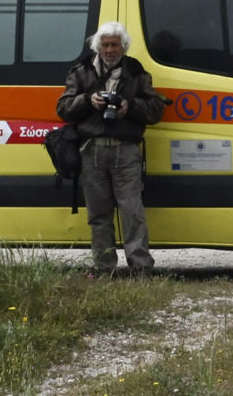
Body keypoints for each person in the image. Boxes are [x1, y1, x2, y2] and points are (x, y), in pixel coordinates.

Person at [55, 21, 165, 273]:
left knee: (132, 212)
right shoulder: (81, 71)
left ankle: (141, 269)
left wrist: (130, 107)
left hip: (126, 151)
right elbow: (62, 108)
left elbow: (156, 109)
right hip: (91, 151)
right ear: (98, 47)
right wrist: (87, 100)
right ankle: (104, 270)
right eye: (105, 45)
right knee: (99, 215)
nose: (110, 49)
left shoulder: (136, 72)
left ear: (123, 47)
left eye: (115, 44)